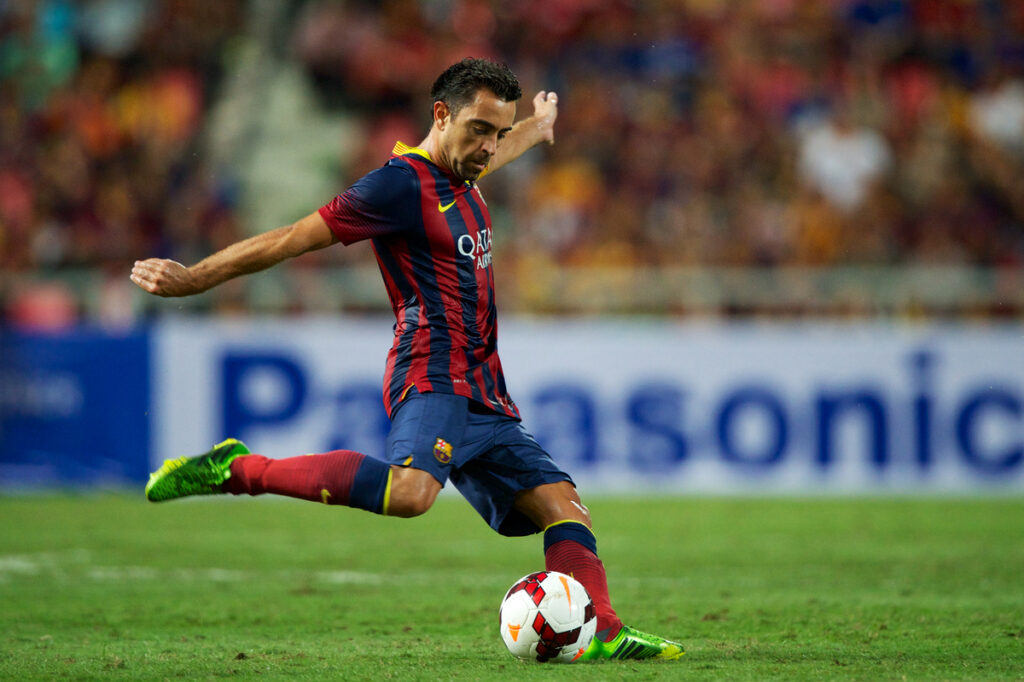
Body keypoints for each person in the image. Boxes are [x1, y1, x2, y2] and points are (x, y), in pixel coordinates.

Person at [131, 58, 683, 662]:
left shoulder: (466, 170)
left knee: (564, 506)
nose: (487, 146)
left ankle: (602, 628)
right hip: (431, 373)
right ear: (440, 116)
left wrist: (536, 127)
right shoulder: (397, 186)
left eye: (497, 133)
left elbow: (492, 151)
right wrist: (194, 279)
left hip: (483, 387)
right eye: (478, 129)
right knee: (412, 493)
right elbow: (291, 238)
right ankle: (237, 471)